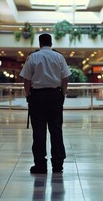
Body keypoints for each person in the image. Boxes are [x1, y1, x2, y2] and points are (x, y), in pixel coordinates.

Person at [19, 33, 72, 174]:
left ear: (40, 43)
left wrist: (28, 94)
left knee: (38, 131)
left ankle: (40, 164)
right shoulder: (59, 57)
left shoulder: (33, 57)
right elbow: (65, 77)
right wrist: (63, 93)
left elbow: (26, 79)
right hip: (55, 96)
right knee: (56, 130)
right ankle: (58, 164)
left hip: (37, 97)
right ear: (51, 43)